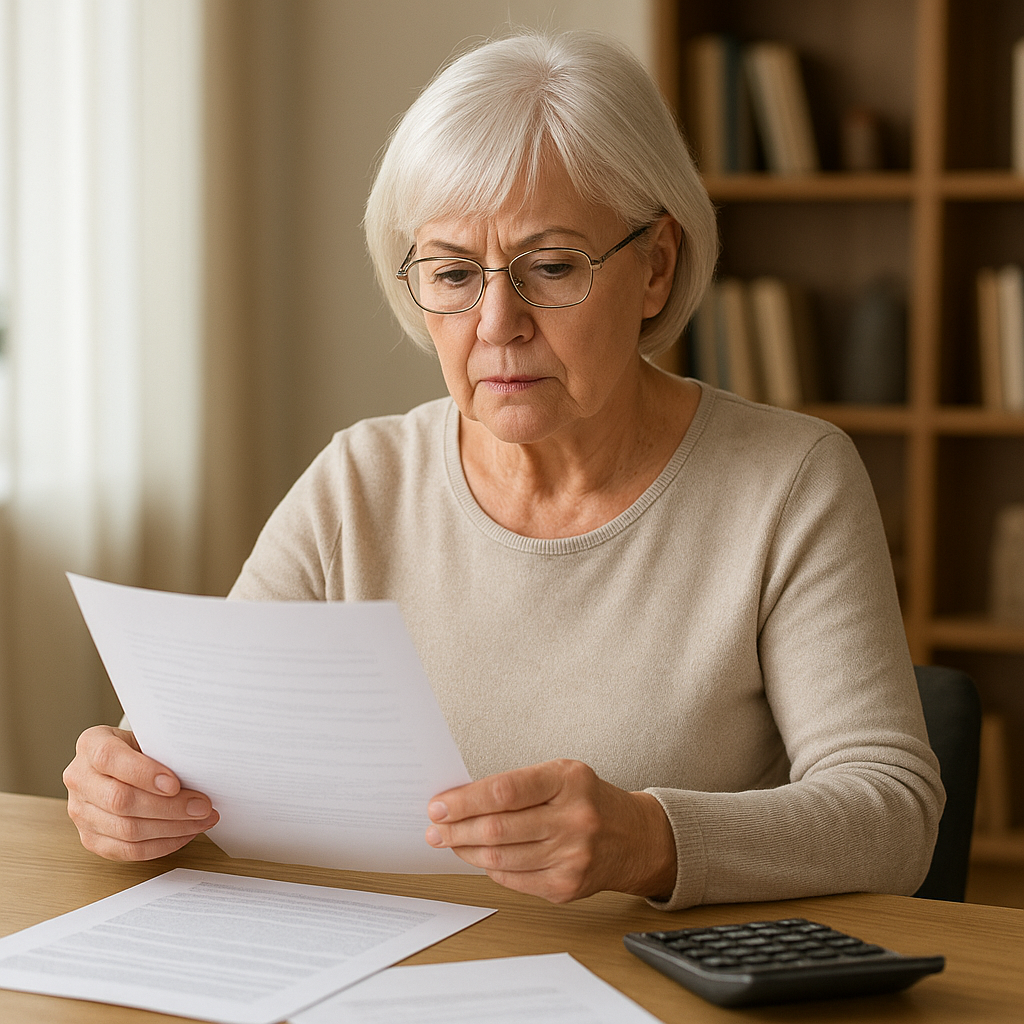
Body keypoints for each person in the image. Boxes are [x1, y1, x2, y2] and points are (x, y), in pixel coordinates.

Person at [64, 31, 943, 911]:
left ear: (656, 265)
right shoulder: (359, 481)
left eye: (552, 266)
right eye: (452, 273)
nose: (496, 323)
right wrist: (126, 793)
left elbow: (892, 816)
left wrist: (648, 840)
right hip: (379, 975)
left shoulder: (791, 482)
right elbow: (192, 752)